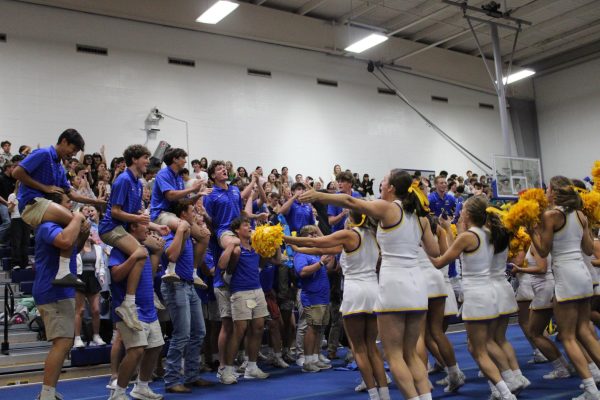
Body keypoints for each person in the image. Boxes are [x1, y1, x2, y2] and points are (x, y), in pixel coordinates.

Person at [301, 169, 440, 400]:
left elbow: (348, 200)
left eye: (384, 180)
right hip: (417, 286)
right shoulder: (421, 218)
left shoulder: (388, 208)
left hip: (394, 285)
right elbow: (435, 253)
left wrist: (319, 195)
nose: (381, 183)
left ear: (392, 188)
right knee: (412, 354)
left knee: (394, 355)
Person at [285, 210, 390, 400]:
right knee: (372, 347)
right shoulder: (375, 235)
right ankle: (385, 394)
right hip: (374, 291)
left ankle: (374, 395)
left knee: (358, 348)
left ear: (352, 219)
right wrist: (298, 248)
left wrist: (284, 237)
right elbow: (318, 249)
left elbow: (316, 242)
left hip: (355, 293)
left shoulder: (350, 235)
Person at [430, 195, 517, 400]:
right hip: (488, 292)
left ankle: (506, 391)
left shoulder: (468, 237)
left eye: (463, 210)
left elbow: (440, 262)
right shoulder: (487, 232)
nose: (460, 212)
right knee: (480, 345)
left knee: (479, 349)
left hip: (477, 295)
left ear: (468, 214)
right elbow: (464, 247)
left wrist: (417, 250)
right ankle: (503, 384)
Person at [527, 176, 600, 400]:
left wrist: (531, 231)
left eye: (547, 188)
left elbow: (542, 251)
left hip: (566, 276)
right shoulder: (580, 215)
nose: (545, 192)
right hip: (583, 275)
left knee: (568, 336)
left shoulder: (551, 215)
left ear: (555, 192)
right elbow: (588, 250)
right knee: (585, 331)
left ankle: (591, 389)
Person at [13, 129, 105, 287]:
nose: (73, 154)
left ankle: (64, 269)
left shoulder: (60, 167)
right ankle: (62, 272)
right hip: (32, 204)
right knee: (77, 218)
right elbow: (17, 172)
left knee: (83, 226)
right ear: (63, 141)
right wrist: (45, 187)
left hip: (46, 206)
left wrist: (97, 201)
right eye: (73, 149)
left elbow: (73, 195)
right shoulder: (43, 154)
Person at [99, 144, 168, 331]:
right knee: (140, 252)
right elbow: (115, 212)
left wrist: (156, 226)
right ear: (134, 159)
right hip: (111, 228)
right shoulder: (123, 180)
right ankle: (128, 303)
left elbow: (138, 215)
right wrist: (139, 218)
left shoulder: (139, 183)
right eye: (145, 158)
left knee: (158, 246)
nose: (148, 161)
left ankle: (151, 291)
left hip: (125, 227)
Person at [33, 192, 88, 400]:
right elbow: (65, 242)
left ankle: (49, 392)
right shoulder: (48, 226)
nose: (71, 208)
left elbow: (75, 248)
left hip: (61, 289)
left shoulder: (60, 226)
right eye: (67, 204)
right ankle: (47, 393)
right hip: (52, 290)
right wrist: (76, 220)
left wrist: (83, 232)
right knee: (62, 343)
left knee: (65, 342)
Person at [218, 216, 281, 383]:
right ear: (237, 231)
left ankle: (252, 367)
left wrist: (272, 241)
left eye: (249, 224)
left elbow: (272, 260)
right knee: (239, 330)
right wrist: (231, 245)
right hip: (240, 291)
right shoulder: (236, 248)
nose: (249, 227)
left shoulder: (256, 246)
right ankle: (227, 371)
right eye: (246, 225)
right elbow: (221, 265)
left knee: (259, 328)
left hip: (257, 289)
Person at [161, 200, 213, 393]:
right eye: (192, 211)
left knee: (198, 331)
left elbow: (195, 262)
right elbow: (171, 256)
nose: (195, 214)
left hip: (188, 285)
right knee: (181, 334)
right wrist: (182, 232)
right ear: (182, 214)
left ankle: (191, 375)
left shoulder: (190, 234)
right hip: (175, 286)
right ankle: (172, 380)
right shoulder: (173, 232)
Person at [108, 222, 164, 400]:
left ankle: (141, 387)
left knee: (156, 346)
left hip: (148, 307)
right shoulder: (120, 249)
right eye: (143, 225)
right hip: (129, 309)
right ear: (132, 227)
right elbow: (116, 275)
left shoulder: (144, 249)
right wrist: (134, 257)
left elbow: (151, 273)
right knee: (136, 350)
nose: (148, 229)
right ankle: (118, 393)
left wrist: (158, 251)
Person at [150, 148, 210, 287]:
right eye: (183, 157)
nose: (185, 160)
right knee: (184, 227)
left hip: (175, 213)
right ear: (175, 159)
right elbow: (170, 195)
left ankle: (193, 273)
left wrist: (199, 195)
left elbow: (183, 201)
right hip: (161, 213)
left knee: (204, 236)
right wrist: (191, 189)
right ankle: (170, 269)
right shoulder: (163, 174)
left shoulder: (178, 176)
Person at [291, 225, 336, 373]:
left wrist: (327, 257)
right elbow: (302, 271)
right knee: (311, 328)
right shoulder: (301, 255)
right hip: (312, 296)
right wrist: (321, 263)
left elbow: (330, 268)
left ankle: (316, 357)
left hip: (323, 296)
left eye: (315, 234)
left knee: (319, 328)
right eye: (311, 234)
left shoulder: (316, 253)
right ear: (304, 238)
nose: (315, 237)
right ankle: (308, 360)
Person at [73, 232, 106, 348]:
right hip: (79, 278)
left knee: (96, 310)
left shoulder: (97, 248)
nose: (91, 234)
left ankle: (96, 335)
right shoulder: (76, 247)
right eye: (88, 233)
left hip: (92, 278)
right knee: (80, 310)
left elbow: (101, 263)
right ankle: (77, 337)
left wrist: (101, 275)